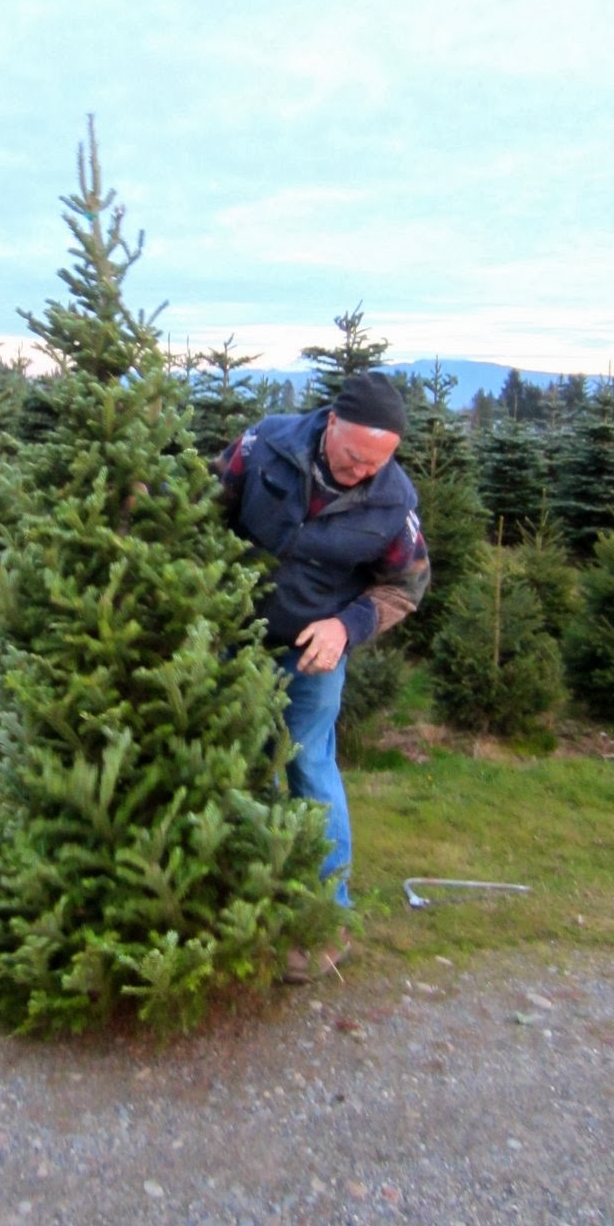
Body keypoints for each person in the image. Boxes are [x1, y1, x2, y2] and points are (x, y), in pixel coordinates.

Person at [213, 370, 430, 980]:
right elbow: (201, 507)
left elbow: (406, 587)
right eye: (355, 458)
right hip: (233, 639)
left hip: (313, 654)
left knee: (310, 766)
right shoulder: (263, 446)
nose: (364, 472)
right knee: (240, 764)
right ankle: (237, 893)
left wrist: (347, 627)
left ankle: (327, 920)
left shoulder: (393, 504)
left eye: (377, 464)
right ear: (331, 423)